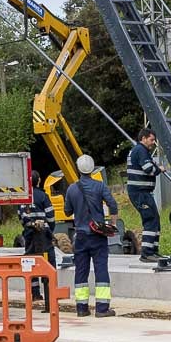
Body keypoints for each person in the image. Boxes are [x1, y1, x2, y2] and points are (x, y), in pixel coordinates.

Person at [63, 153, 119, 318]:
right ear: (92, 168)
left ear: (78, 169)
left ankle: (81, 308)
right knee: (101, 269)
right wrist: (113, 224)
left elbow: (67, 211)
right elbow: (113, 204)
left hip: (80, 236)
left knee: (81, 271)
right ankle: (102, 308)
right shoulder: (99, 186)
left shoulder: (72, 189)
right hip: (97, 235)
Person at [18, 171, 56, 310]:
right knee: (48, 263)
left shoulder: (24, 197)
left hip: (29, 234)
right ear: (38, 181)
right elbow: (51, 216)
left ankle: (34, 294)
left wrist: (29, 226)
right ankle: (49, 295)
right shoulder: (42, 196)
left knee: (30, 261)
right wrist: (50, 229)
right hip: (44, 235)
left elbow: (20, 216)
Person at [126, 128, 162, 262]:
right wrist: (159, 169)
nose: (153, 143)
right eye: (151, 140)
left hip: (143, 192)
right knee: (150, 220)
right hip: (140, 192)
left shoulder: (139, 150)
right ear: (144, 138)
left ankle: (154, 251)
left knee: (156, 221)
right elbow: (149, 169)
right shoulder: (141, 150)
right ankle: (147, 253)